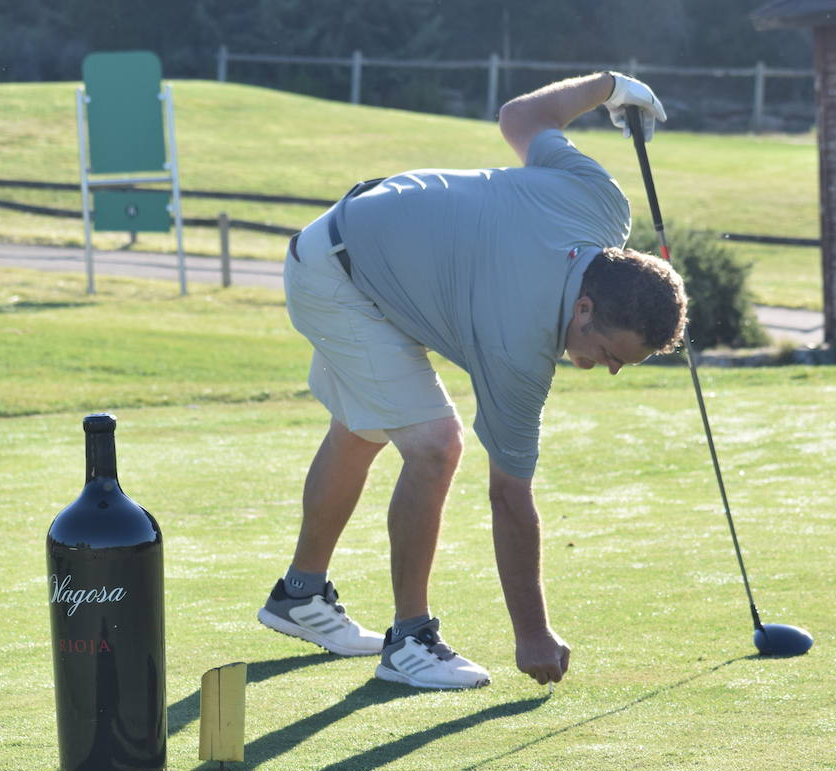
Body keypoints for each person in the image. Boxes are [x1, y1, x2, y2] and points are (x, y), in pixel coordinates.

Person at [258, 72, 688, 689]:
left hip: (359, 247)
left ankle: (299, 596)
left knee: (365, 427)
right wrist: (532, 633)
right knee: (436, 446)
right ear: (586, 308)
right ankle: (409, 641)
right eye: (609, 353)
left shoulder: (602, 204)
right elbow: (509, 497)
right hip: (339, 281)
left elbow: (520, 118)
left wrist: (609, 87)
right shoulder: (520, 344)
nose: (607, 369)